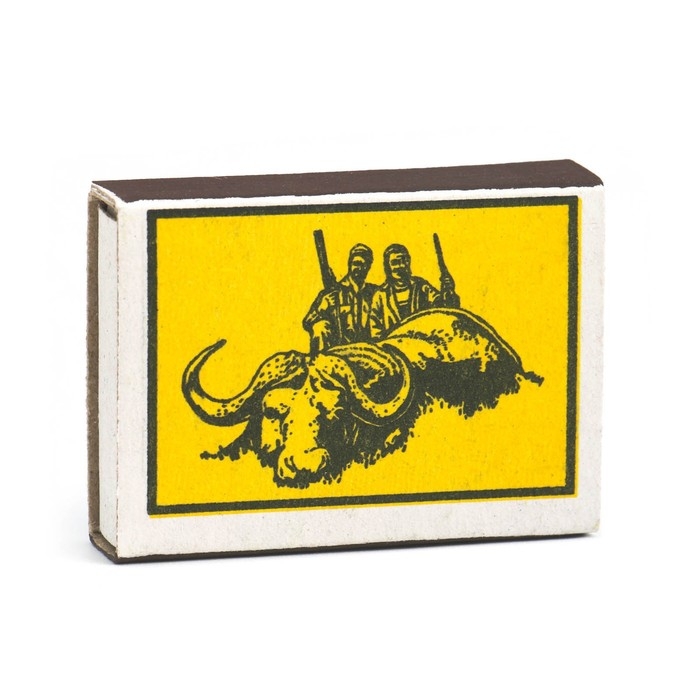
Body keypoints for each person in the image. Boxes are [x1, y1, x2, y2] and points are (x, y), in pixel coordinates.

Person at [369, 243, 460, 338]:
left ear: (408, 262)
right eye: (395, 263)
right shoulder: (381, 295)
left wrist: (449, 291)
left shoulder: (421, 286)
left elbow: (444, 307)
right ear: (388, 266)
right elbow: (375, 329)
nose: (400, 266)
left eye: (403, 261)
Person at [303, 243, 377, 353]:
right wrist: (321, 308)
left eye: (364, 265)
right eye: (356, 264)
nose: (359, 268)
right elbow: (307, 322)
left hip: (367, 351)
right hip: (337, 352)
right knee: (320, 327)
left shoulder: (374, 292)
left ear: (369, 267)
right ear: (349, 264)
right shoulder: (333, 292)